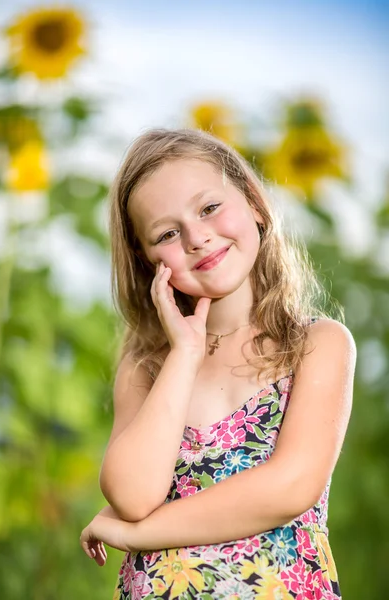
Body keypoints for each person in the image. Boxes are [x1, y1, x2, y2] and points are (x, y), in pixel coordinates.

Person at [80, 127, 356, 599]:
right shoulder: (146, 367)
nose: (197, 238)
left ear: (252, 200)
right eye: (167, 233)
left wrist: (138, 534)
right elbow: (130, 494)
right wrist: (185, 354)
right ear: (146, 260)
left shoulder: (316, 344)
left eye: (209, 208)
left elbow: (290, 487)